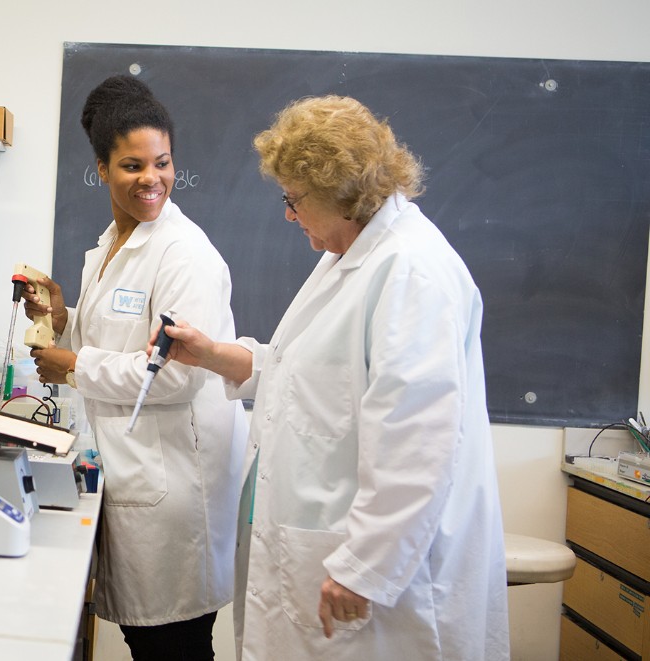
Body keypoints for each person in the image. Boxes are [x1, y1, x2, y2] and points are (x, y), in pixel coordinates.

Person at [152, 95, 509, 659]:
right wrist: (213, 353)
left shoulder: (410, 271)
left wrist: (365, 567)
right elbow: (307, 375)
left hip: (375, 579)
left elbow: (417, 439)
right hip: (317, 549)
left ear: (342, 194)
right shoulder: (347, 257)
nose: (289, 215)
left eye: (295, 200)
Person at [23, 74, 247, 660]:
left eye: (163, 163)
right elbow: (113, 339)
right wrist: (62, 317)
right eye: (132, 166)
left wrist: (72, 364)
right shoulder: (111, 244)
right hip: (135, 469)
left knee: (173, 646)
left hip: (172, 484)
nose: (152, 179)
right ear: (101, 169)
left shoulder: (184, 254)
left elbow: (174, 375)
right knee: (153, 644)